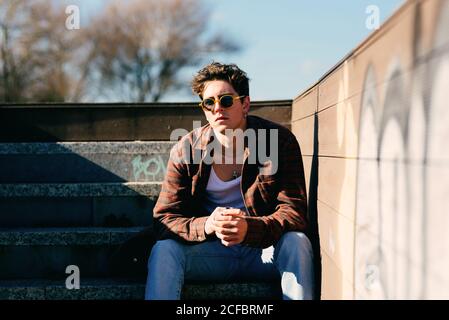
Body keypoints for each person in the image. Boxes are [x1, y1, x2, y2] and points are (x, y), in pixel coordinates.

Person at [145, 62, 314, 300]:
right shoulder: (186, 149)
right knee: (164, 250)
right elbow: (164, 219)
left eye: (225, 100)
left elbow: (294, 213)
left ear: (245, 104)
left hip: (264, 252)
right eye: (209, 102)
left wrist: (250, 229)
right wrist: (207, 225)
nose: (217, 109)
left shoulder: (278, 142)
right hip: (212, 254)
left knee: (297, 243)